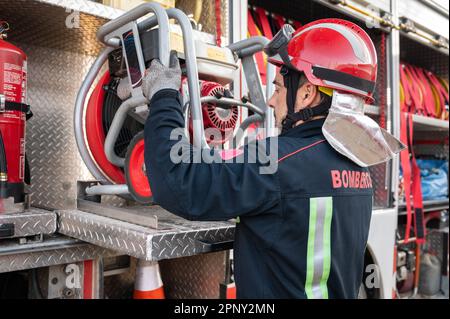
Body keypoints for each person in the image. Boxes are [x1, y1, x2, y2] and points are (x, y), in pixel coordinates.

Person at [141, 19, 403, 299]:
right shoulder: (360, 168)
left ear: (306, 94)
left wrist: (164, 98)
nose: (270, 101)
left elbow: (178, 181)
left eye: (277, 89)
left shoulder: (280, 160)